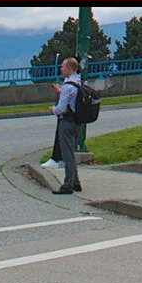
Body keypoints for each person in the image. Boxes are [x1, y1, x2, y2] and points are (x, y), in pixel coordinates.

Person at [49, 56, 83, 194]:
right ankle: (75, 182)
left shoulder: (68, 86)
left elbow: (61, 109)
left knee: (67, 154)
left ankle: (68, 184)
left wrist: (52, 109)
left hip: (67, 121)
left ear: (69, 68)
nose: (61, 68)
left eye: (63, 66)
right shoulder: (78, 82)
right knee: (71, 151)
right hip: (77, 121)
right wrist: (60, 91)